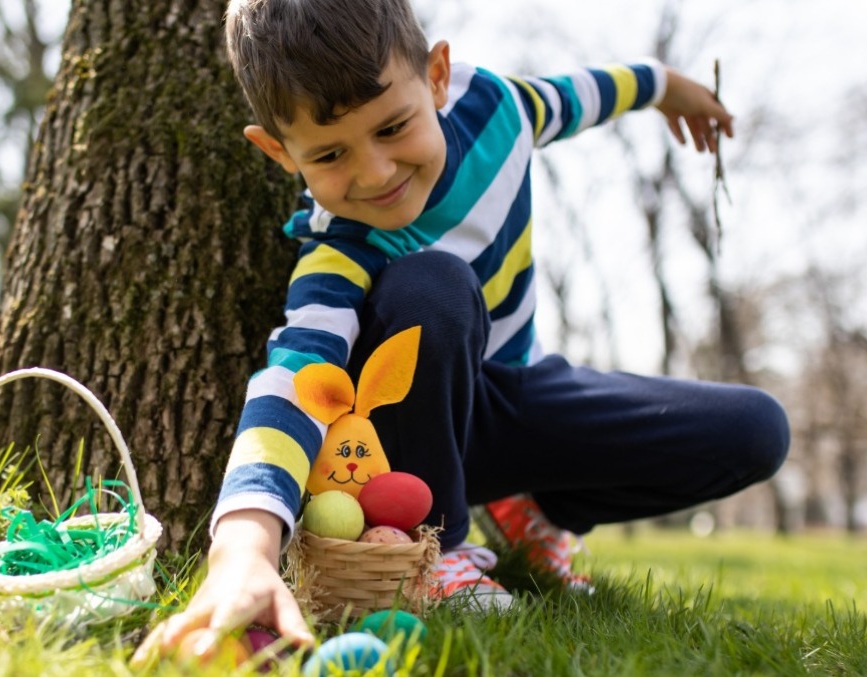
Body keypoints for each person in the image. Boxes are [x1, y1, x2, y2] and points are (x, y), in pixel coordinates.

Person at [133, 0, 789, 660]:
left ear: (438, 76)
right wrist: (243, 548)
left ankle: (529, 511)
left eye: (393, 126)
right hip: (401, 446)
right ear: (280, 153)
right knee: (432, 286)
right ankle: (436, 549)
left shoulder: (500, 111)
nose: (376, 172)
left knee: (756, 430)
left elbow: (590, 93)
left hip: (512, 397)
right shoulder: (338, 250)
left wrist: (670, 87)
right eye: (330, 153)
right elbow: (295, 379)